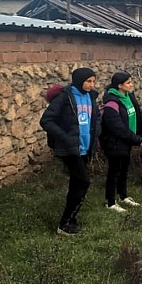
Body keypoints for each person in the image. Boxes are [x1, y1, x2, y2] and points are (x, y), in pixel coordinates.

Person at [40, 67, 100, 235]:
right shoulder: (65, 97)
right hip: (70, 149)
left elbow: (96, 118)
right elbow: (46, 120)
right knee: (83, 182)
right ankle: (65, 223)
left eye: (93, 81)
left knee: (76, 183)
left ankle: (70, 220)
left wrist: (97, 133)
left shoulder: (91, 96)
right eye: (88, 81)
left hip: (85, 147)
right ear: (79, 80)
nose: (92, 85)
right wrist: (65, 138)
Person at [100, 72, 142, 213]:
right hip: (115, 142)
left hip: (127, 141)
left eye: (131, 82)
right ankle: (110, 202)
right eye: (128, 83)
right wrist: (135, 139)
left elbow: (136, 114)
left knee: (124, 169)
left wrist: (139, 135)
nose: (131, 85)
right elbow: (116, 127)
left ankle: (122, 196)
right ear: (119, 86)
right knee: (114, 171)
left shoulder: (128, 96)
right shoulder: (112, 102)